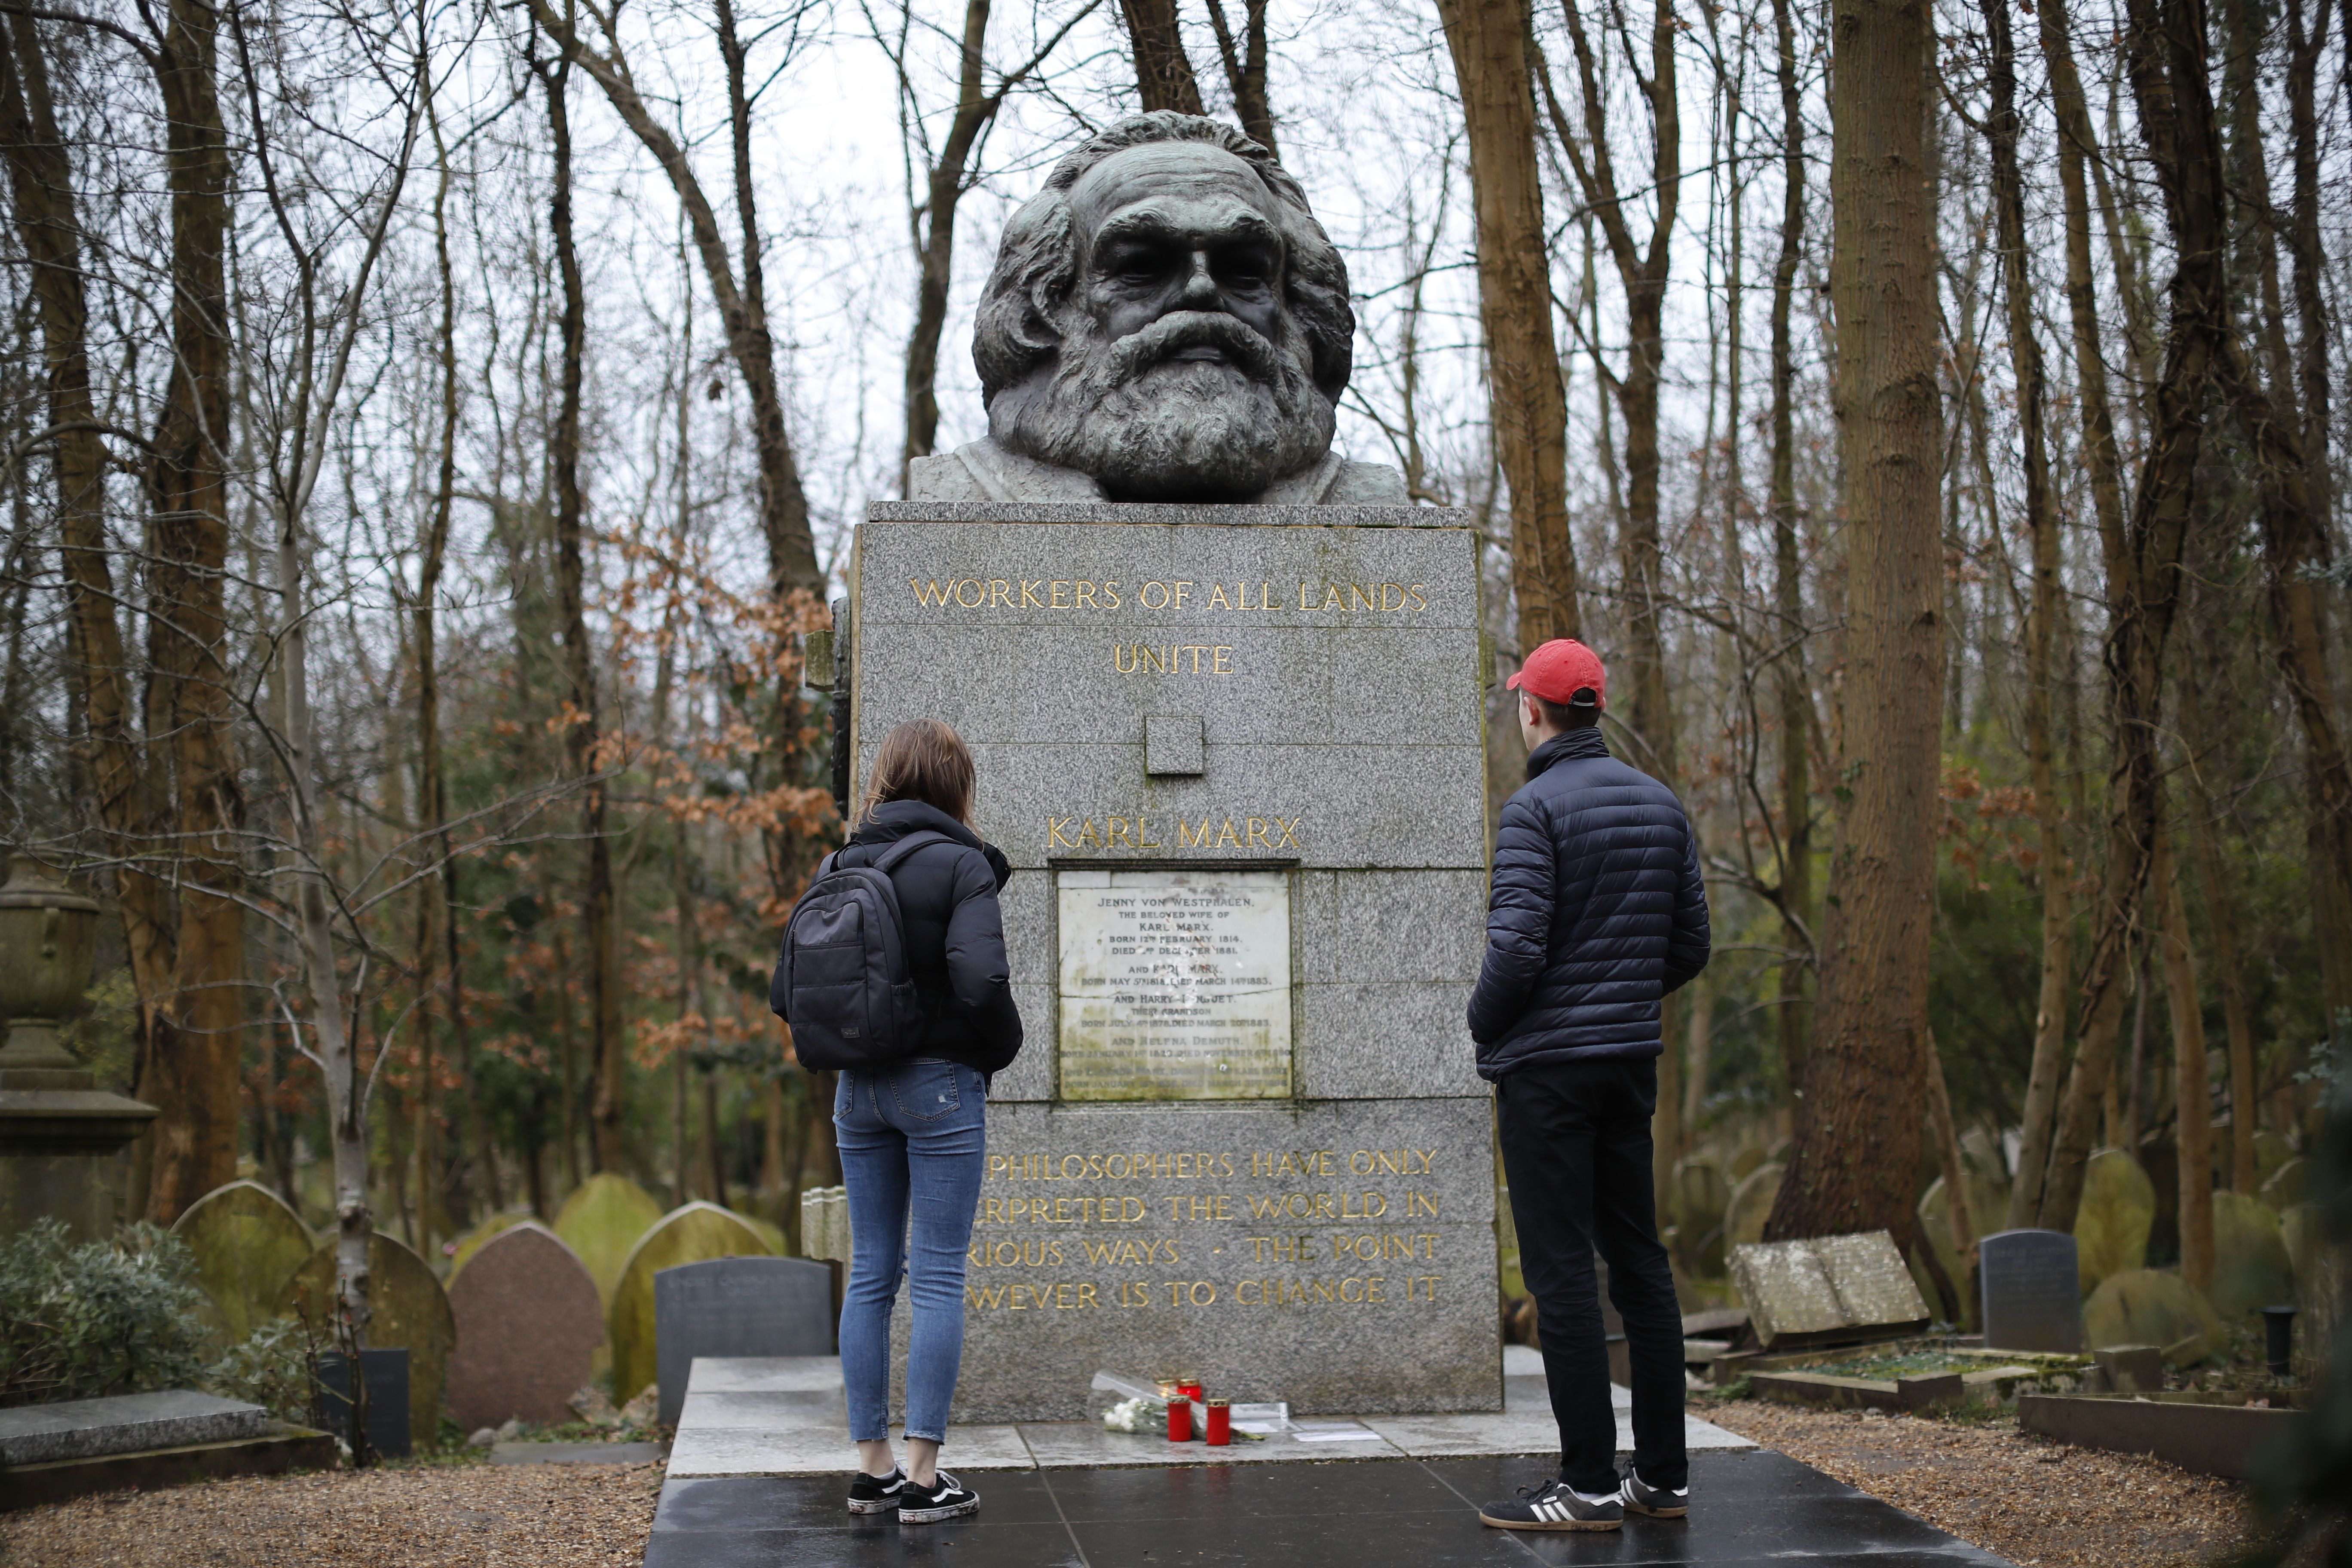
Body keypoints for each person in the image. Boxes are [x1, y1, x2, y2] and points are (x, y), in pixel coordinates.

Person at [1467, 639, 1710, 1533]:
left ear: (1533, 709)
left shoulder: (1532, 810)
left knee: (1563, 1270)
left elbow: (1519, 946)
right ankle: (1662, 1477)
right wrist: (1620, 1004)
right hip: (1626, 1066)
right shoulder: (1660, 804)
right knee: (1641, 1264)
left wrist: (1485, 1023)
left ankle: (1588, 1482)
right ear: (1595, 708)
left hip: (1549, 1074)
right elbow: (1691, 945)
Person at [820, 720, 1021, 1524]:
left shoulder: (838, 864)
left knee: (870, 1273)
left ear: (888, 779)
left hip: (855, 1090)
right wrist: (1000, 1050)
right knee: (937, 1273)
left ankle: (870, 1467)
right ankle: (923, 1476)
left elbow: (784, 987)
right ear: (955, 786)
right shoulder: (963, 863)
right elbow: (979, 980)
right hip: (938, 1086)